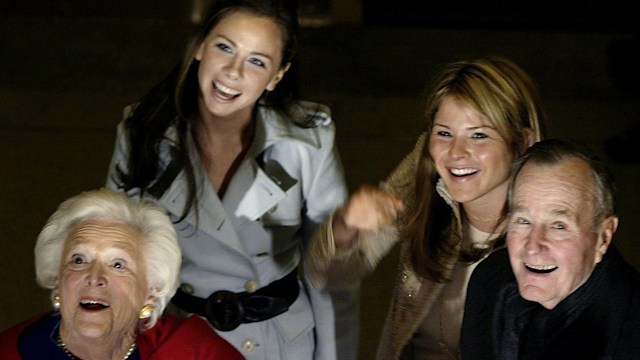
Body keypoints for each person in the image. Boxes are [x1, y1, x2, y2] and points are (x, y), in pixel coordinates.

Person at [105, 0, 355, 359]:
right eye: (225, 47)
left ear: (276, 76)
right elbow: (114, 259)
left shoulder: (307, 143)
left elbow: (331, 275)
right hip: (178, 340)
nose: (233, 72)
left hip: (278, 346)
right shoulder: (142, 132)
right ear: (199, 48)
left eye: (257, 61)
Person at [306, 55, 547, 359]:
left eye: (479, 135)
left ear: (522, 142)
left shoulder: (553, 214)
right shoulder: (425, 172)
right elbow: (327, 276)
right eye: (444, 133)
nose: (456, 153)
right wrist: (345, 227)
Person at [0, 188, 243, 359]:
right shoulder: (9, 351)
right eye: (78, 259)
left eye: (118, 265)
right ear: (57, 281)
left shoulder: (194, 352)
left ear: (150, 292)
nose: (94, 277)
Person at [461, 139, 640, 359]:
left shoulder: (631, 327)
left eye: (559, 226)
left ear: (603, 237)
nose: (533, 247)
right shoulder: (489, 279)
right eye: (523, 221)